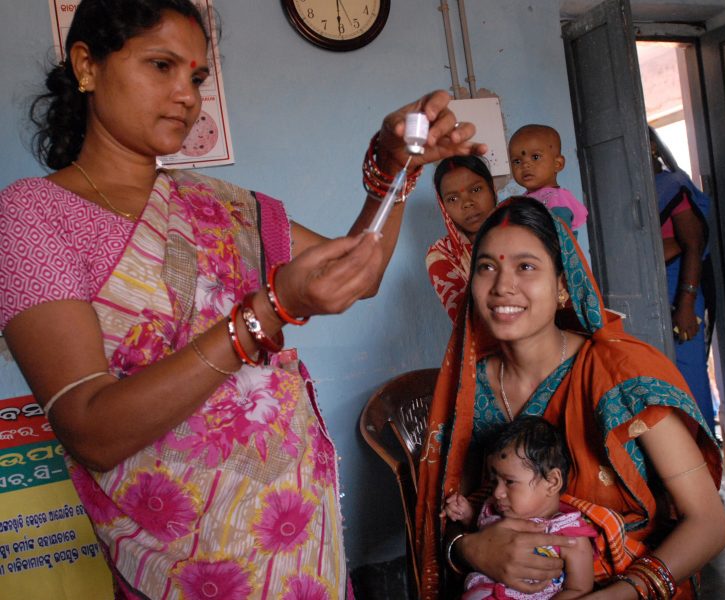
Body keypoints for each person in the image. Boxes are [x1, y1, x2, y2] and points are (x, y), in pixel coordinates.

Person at [0, 1, 485, 597]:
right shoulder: (34, 216)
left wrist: (393, 173)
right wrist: (267, 312)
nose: (186, 95)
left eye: (197, 78)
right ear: (87, 66)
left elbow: (360, 272)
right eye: (161, 66)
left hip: (300, 539)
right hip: (188, 562)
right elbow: (90, 430)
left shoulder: (224, 204)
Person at [415, 197, 725, 599]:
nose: (502, 286)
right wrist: (471, 548)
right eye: (487, 267)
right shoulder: (467, 389)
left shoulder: (621, 376)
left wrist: (618, 594)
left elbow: (709, 523)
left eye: (525, 267)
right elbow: (449, 516)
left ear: (563, 285)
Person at [443, 416, 596, 600]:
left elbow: (580, 590)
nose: (498, 492)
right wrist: (465, 513)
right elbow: (479, 530)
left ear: (552, 482)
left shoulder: (570, 536)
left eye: (509, 482)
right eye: (494, 482)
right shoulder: (494, 510)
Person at [649, 128, 715, 433]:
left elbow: (692, 245)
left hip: (680, 289)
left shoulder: (672, 185)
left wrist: (686, 304)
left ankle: (703, 458)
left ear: (652, 147)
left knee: (690, 378)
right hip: (649, 292)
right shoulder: (632, 191)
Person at [426, 155, 498, 322]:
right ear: (443, 206)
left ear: (492, 189)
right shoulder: (441, 255)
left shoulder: (523, 232)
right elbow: (467, 321)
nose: (467, 203)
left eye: (476, 189)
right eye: (453, 199)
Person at [508, 125, 587, 233]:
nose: (525, 165)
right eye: (517, 161)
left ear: (557, 164)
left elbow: (560, 240)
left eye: (535, 157)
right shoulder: (522, 199)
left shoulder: (557, 201)